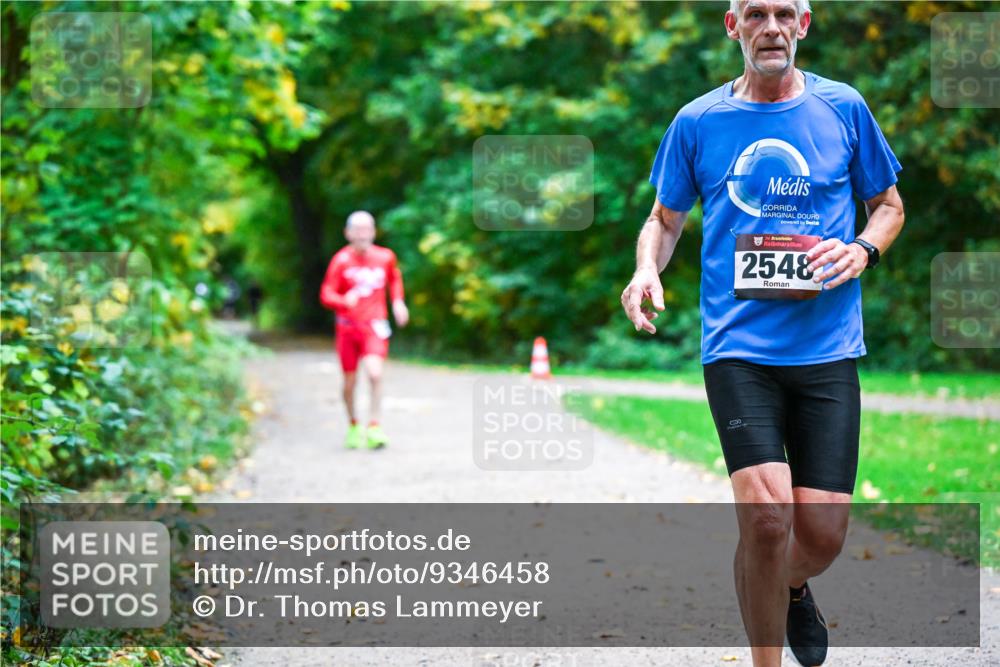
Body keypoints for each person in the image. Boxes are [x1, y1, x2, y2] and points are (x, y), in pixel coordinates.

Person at [620, 1, 905, 665]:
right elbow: (664, 219)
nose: (770, 26)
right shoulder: (699, 120)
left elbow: (887, 205)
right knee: (768, 519)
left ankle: (794, 585)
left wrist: (863, 249)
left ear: (804, 25)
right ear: (733, 27)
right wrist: (643, 270)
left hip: (827, 347)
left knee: (823, 535)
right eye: (755, 13)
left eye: (784, 13)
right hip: (738, 348)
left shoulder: (844, 109)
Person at [320, 210, 409, 450]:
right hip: (347, 329)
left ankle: (374, 426)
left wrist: (398, 302)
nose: (363, 234)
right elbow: (326, 294)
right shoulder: (340, 261)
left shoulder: (385, 257)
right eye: (357, 230)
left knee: (375, 373)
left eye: (367, 229)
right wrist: (342, 301)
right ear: (348, 233)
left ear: (373, 232)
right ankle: (353, 424)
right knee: (350, 381)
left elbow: (395, 279)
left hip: (374, 326)